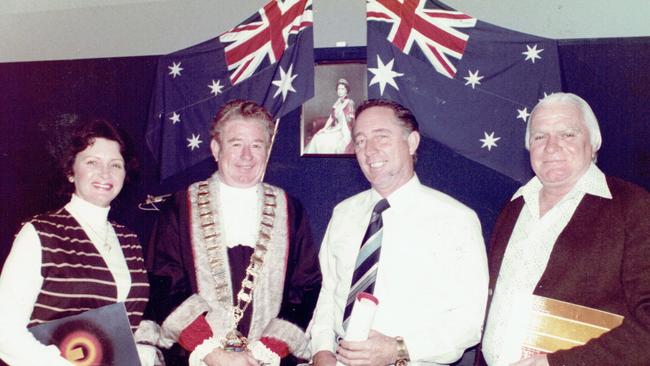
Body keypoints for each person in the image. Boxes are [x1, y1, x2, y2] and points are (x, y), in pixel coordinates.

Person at [309, 99, 489, 366]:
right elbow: (328, 291)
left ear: (412, 142)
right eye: (360, 141)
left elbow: (469, 323)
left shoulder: (456, 219)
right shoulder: (343, 213)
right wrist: (321, 350)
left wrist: (398, 349)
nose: (369, 151)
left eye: (381, 137)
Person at [145, 100, 322, 366]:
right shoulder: (181, 206)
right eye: (236, 144)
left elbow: (305, 286)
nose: (246, 156)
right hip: (198, 357)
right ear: (216, 149)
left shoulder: (290, 209)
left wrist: (265, 351)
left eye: (257, 145)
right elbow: (165, 283)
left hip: (267, 360)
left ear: (267, 151)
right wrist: (214, 354)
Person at [479, 93, 650, 366]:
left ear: (593, 143)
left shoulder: (635, 208)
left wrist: (558, 363)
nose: (551, 147)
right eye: (539, 137)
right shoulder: (513, 208)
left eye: (568, 134)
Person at [0, 116, 157, 365]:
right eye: (92, 162)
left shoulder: (129, 241)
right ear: (71, 171)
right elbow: (4, 333)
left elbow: (125, 324)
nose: (105, 173)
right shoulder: (40, 233)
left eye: (115, 164)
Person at [304, 78, 355, 154]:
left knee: (328, 142)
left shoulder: (350, 103)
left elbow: (349, 122)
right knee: (317, 136)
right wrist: (324, 129)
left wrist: (335, 130)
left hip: (345, 131)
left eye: (342, 89)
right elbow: (331, 118)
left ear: (346, 90)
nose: (340, 91)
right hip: (336, 128)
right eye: (338, 89)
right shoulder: (337, 102)